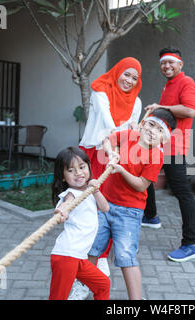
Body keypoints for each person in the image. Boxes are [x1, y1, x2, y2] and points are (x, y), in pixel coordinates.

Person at [88, 108, 177, 300]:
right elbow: (107, 140)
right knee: (92, 248)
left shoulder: (156, 156)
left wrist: (120, 170)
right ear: (144, 124)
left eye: (160, 130)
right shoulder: (131, 135)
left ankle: (136, 300)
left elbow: (140, 185)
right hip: (105, 205)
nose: (153, 131)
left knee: (126, 256)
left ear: (164, 139)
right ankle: (85, 287)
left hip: (129, 212)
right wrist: (112, 153)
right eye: (151, 124)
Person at [75, 57, 142, 299]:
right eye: (126, 74)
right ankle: (87, 263)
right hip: (95, 150)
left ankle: (99, 260)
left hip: (115, 154)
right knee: (88, 205)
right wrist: (117, 137)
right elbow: (109, 123)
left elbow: (131, 130)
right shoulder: (100, 90)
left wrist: (121, 144)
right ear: (118, 72)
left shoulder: (137, 101)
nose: (129, 81)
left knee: (108, 207)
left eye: (134, 78)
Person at [142, 47, 195, 263]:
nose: (166, 66)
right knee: (144, 175)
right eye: (163, 63)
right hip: (161, 144)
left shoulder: (187, 82)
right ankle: (150, 216)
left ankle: (191, 244)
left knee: (182, 192)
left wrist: (161, 106)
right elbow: (168, 113)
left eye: (171, 62)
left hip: (175, 148)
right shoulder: (169, 85)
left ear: (180, 64)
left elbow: (190, 110)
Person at [48, 147, 111, 300]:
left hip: (79, 257)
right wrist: (62, 211)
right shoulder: (71, 194)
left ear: (88, 167)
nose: (78, 173)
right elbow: (67, 204)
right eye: (71, 170)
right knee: (58, 297)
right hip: (66, 256)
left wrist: (95, 190)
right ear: (63, 177)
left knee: (103, 284)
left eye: (82, 167)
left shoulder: (88, 192)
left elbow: (105, 208)